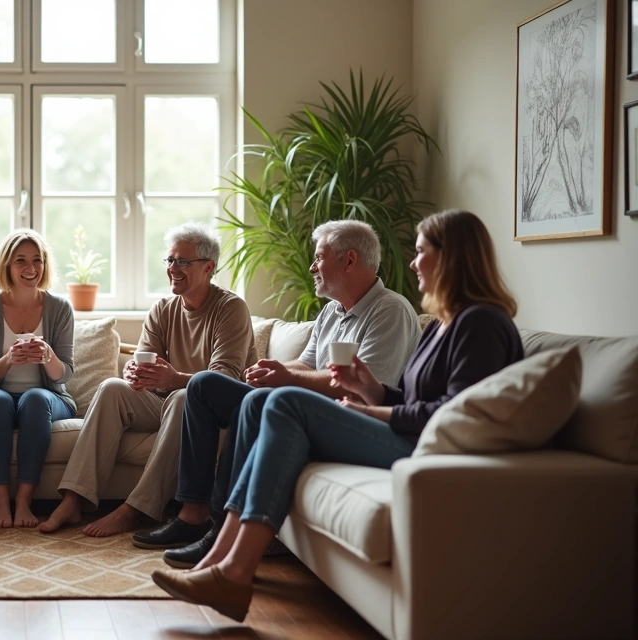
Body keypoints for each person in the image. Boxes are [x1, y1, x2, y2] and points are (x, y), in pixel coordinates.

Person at [150, 209, 524, 622]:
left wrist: (379, 411)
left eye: (421, 253)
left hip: (423, 447)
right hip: (404, 430)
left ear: (453, 258)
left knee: (282, 402)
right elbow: (415, 395)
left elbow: (456, 414)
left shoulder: (481, 323)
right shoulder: (443, 324)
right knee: (260, 401)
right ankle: (219, 556)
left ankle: (233, 571)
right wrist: (372, 389)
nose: (414, 262)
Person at [150, 220, 421, 564]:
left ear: (349, 261)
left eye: (319, 258)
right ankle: (193, 513)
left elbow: (365, 387)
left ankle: (221, 527)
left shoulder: (389, 310)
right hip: (311, 402)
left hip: (347, 416)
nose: (312, 267)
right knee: (206, 385)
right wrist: (271, 369)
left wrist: (285, 380)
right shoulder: (331, 312)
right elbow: (307, 364)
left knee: (257, 400)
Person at [39, 222, 256, 536]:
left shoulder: (230, 309)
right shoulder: (163, 308)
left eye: (182, 261)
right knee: (112, 387)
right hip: (166, 402)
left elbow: (223, 379)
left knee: (185, 397)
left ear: (209, 267)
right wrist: (136, 375)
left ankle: (137, 509)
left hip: (214, 417)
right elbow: (147, 362)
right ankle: (74, 500)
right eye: (169, 260)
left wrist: (174, 378)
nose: (172, 268)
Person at [0, 229, 76, 529]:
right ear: (6, 266)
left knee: (35, 398)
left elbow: (64, 373)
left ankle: (24, 500)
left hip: (47, 397)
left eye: (37, 260)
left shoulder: (60, 309)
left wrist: (48, 356)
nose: (31, 269)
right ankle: (1, 502)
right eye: (21, 261)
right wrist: (8, 360)